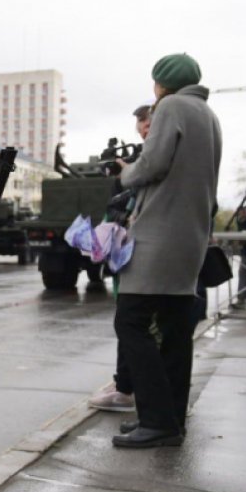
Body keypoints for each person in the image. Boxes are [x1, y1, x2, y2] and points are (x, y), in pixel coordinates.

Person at [111, 53, 221, 449]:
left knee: (131, 322)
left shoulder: (171, 105)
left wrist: (126, 171)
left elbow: (152, 164)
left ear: (161, 82)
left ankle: (156, 420)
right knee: (175, 332)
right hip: (189, 238)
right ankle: (171, 419)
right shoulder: (208, 114)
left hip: (158, 237)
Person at [89, 103, 152, 412]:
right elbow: (117, 204)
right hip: (123, 254)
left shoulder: (156, 158)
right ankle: (125, 383)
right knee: (128, 321)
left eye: (148, 120)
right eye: (140, 122)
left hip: (148, 254)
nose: (144, 126)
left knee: (135, 324)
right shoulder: (139, 160)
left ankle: (127, 388)